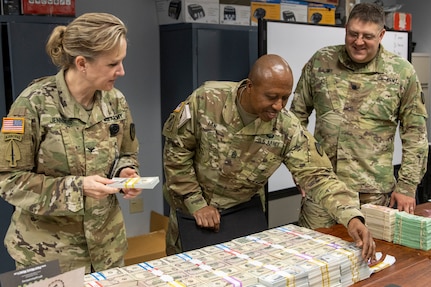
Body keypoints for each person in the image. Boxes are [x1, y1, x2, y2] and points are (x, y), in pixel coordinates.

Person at [162, 54, 376, 262]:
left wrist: (351, 217)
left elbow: (318, 175)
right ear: (249, 86)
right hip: (191, 214)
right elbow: (176, 153)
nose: (279, 106)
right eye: (271, 97)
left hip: (241, 213)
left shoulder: (286, 127)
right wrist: (196, 203)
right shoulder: (207, 100)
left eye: (285, 97)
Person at [0, 13, 142, 273]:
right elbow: (9, 181)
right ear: (82, 63)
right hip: (48, 256)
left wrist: (125, 173)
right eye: (113, 64)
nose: (121, 71)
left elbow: (126, 153)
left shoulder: (116, 102)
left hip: (106, 249)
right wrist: (78, 188)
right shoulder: (31, 104)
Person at [290, 3, 428, 230]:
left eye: (367, 36)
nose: (358, 41)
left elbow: (415, 134)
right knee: (314, 252)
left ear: (382, 35)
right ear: (345, 29)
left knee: (371, 257)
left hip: (372, 194)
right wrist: (301, 170)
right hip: (322, 188)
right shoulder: (321, 62)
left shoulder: (401, 73)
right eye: (353, 34)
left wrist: (407, 186)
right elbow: (295, 119)